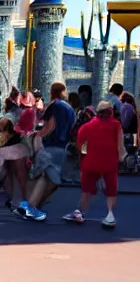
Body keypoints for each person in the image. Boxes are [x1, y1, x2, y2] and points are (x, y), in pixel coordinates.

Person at [63, 101, 126, 228]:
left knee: (87, 189)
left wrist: (84, 157)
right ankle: (109, 215)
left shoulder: (87, 127)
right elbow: (120, 143)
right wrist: (121, 157)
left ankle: (81, 212)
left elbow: (82, 146)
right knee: (110, 190)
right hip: (109, 161)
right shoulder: (116, 125)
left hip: (91, 162)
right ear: (111, 112)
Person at [27, 82, 76, 220]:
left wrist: (37, 134)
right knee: (53, 180)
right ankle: (37, 205)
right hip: (64, 148)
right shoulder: (69, 109)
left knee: (43, 177)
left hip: (51, 147)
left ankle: (32, 206)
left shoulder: (54, 106)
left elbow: (50, 127)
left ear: (52, 92)